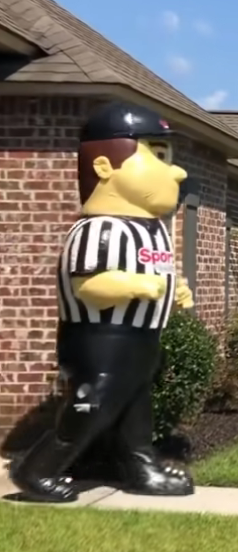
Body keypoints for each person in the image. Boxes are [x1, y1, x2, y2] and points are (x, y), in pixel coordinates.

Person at [10, 102, 195, 503]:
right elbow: (90, 286)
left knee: (134, 407)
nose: (176, 171)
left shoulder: (153, 230)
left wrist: (174, 288)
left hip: (143, 336)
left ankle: (139, 466)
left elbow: (159, 271)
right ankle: (36, 470)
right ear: (104, 168)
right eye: (157, 155)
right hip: (99, 338)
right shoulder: (98, 230)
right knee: (90, 405)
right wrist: (137, 285)